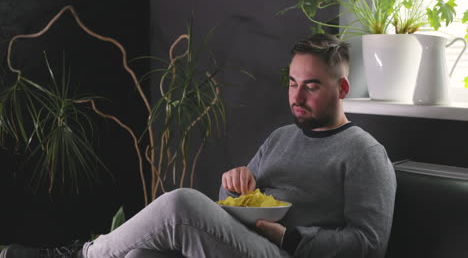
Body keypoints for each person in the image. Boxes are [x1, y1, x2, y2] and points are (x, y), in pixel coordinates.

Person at [0, 33, 396, 258]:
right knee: (139, 256)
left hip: (285, 254)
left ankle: (76, 255)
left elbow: (369, 245)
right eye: (293, 83)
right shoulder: (282, 137)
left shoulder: (364, 153)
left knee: (180, 204)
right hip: (252, 242)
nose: (297, 95)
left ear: (342, 88)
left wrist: (288, 237)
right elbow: (232, 203)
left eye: (311, 85)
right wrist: (233, 183)